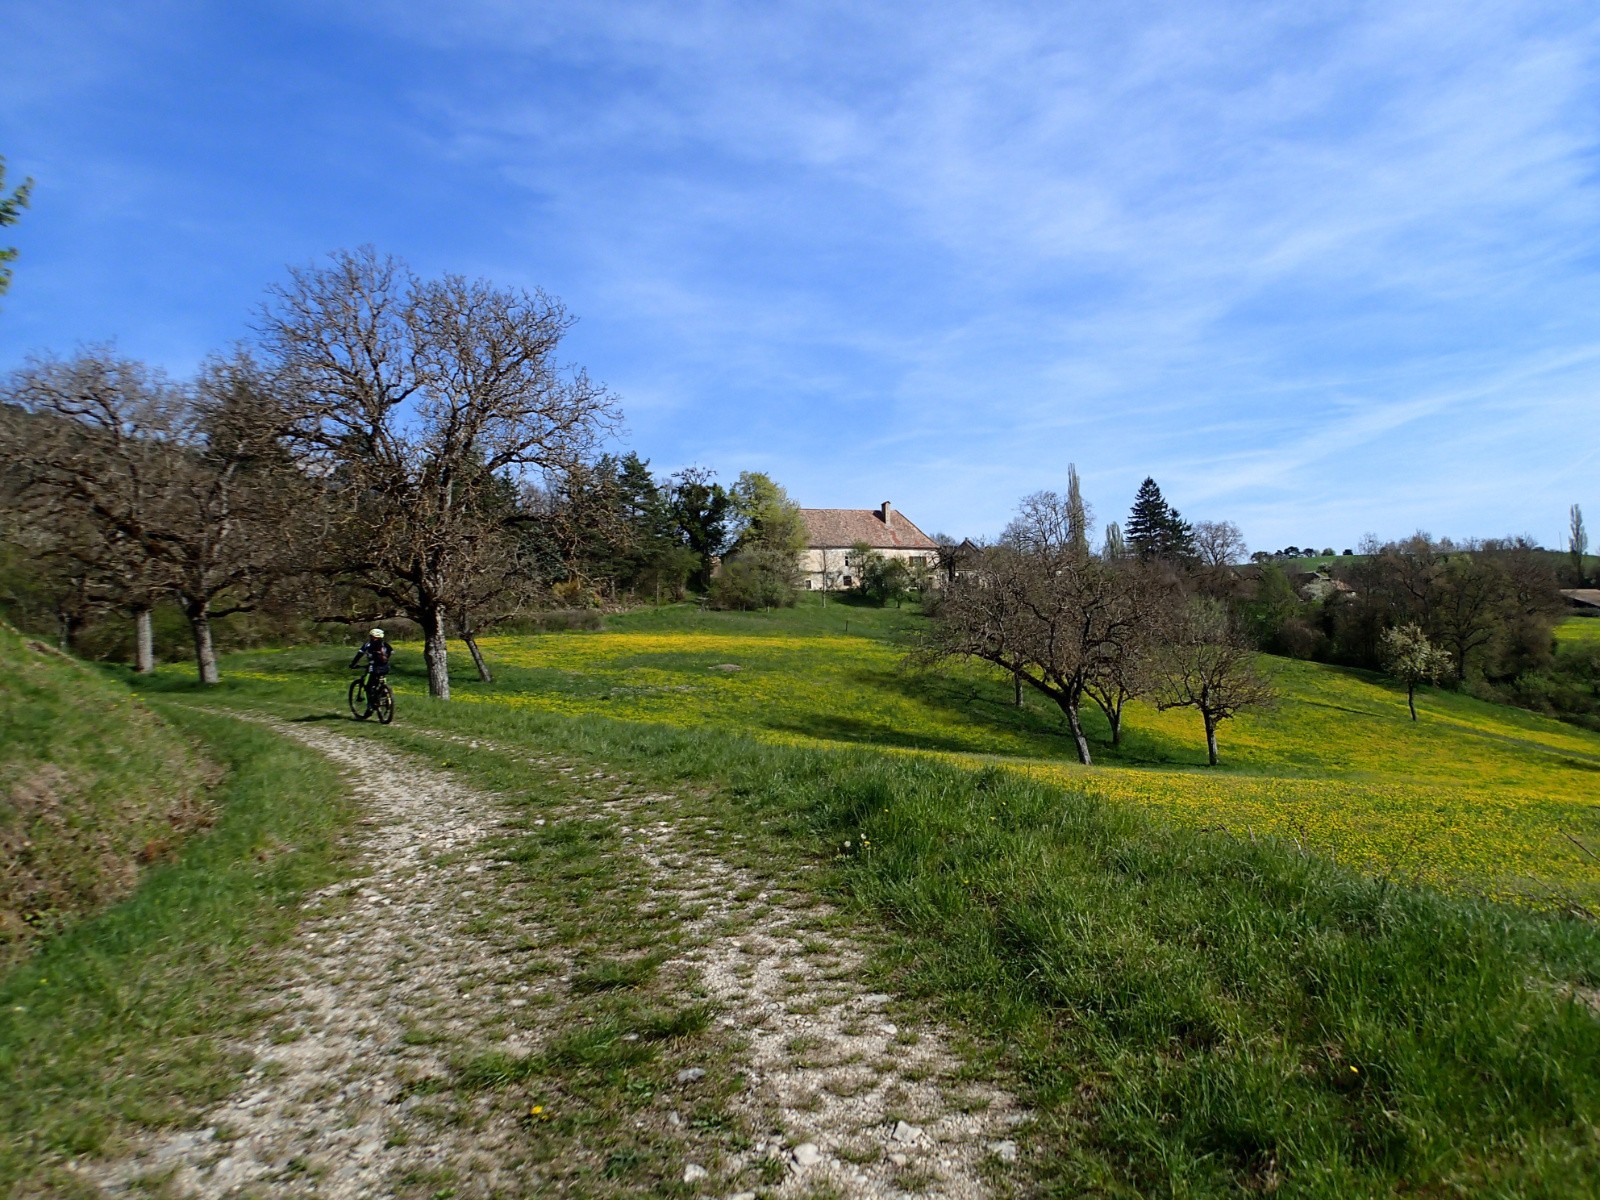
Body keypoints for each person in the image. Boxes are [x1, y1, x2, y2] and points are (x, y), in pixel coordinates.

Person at [349, 628, 393, 713]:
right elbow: (390, 653)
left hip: (374, 668)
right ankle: (383, 693)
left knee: (368, 686)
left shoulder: (368, 644)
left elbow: (359, 654)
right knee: (378, 682)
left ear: (372, 636)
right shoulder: (386, 645)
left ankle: (370, 706)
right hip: (385, 667)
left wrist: (353, 664)